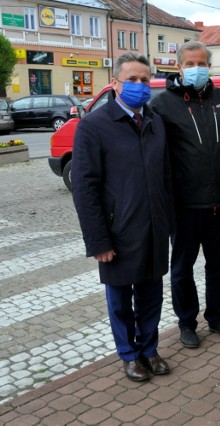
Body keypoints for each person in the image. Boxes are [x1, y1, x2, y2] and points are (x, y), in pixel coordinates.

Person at [71, 53, 173, 381]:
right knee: (120, 299)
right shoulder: (94, 126)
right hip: (117, 231)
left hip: (154, 227)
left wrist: (169, 223)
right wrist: (98, 240)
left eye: (145, 80)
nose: (140, 86)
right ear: (115, 83)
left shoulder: (156, 122)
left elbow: (166, 177)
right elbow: (85, 189)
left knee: (151, 296)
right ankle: (128, 355)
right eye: (132, 80)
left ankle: (148, 349)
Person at [150, 41, 220, 349]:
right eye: (191, 63)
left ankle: (217, 317)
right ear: (179, 67)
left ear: (209, 65)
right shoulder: (162, 105)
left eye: (202, 63)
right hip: (183, 206)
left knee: (219, 266)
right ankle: (187, 322)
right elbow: (157, 157)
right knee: (181, 269)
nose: (197, 68)